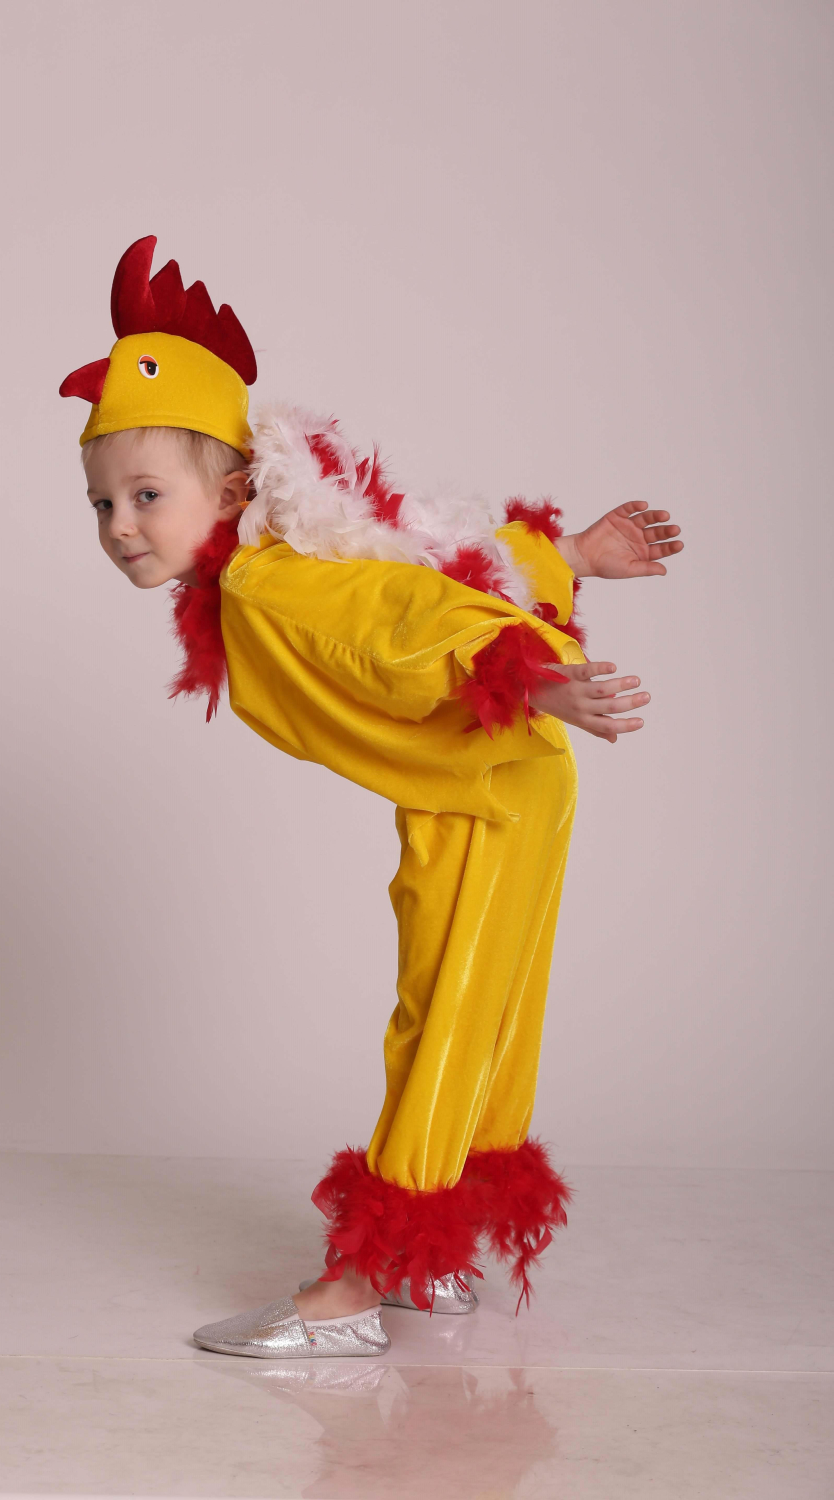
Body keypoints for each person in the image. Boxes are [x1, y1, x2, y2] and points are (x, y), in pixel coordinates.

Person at [61, 236, 683, 1360]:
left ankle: (355, 1291)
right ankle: (432, 1260)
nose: (117, 526)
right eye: (102, 501)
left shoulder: (270, 581)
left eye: (145, 495)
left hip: (492, 787)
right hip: (483, 788)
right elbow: (424, 564)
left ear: (236, 487)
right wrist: (570, 556)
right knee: (456, 1015)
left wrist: (524, 668)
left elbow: (408, 626)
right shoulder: (288, 555)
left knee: (446, 1020)